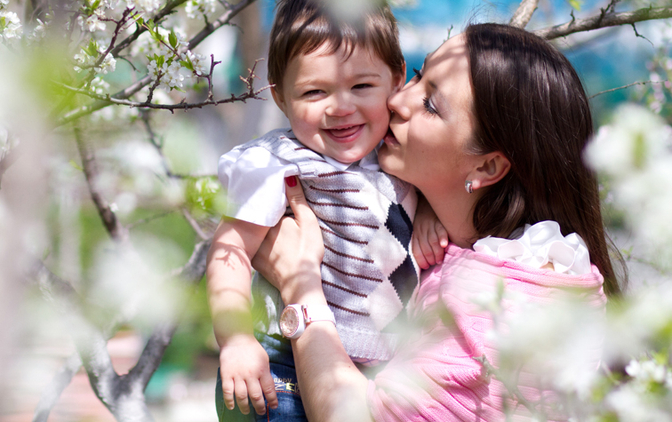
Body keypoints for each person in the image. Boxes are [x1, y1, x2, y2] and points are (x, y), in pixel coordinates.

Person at [251, 22, 624, 421]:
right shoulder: (477, 244)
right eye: (416, 75)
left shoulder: (504, 310)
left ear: (487, 166)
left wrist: (300, 285)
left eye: (430, 105)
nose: (397, 100)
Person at [206, 0, 444, 420]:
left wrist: (428, 212)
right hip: (283, 365)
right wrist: (236, 340)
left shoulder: (398, 152)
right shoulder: (280, 163)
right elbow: (230, 250)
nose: (340, 107)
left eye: (361, 85)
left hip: (381, 370)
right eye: (315, 93)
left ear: (397, 80)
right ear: (280, 95)